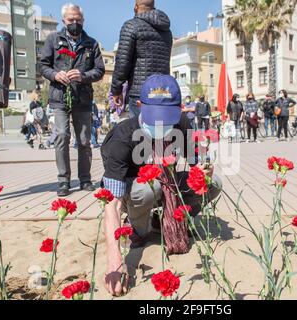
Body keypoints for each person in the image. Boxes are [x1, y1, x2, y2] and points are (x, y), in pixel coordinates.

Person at [100, 74, 221, 296]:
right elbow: (112, 202)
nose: (160, 124)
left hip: (168, 183)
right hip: (135, 193)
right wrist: (114, 260)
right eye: (155, 116)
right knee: (150, 187)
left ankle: (168, 221)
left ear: (180, 109)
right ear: (140, 106)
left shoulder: (183, 123)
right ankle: (139, 229)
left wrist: (204, 170)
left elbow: (196, 163)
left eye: (167, 118)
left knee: (213, 184)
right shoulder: (122, 138)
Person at [40, 3, 105, 197]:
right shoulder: (53, 39)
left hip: (83, 98)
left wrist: (83, 75)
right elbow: (43, 65)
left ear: (83, 20)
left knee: (84, 140)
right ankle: (63, 181)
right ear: (63, 21)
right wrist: (54, 74)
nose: (75, 23)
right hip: (60, 97)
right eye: (71, 20)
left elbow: (100, 70)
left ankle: (85, 179)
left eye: (78, 19)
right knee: (61, 136)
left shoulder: (91, 43)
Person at [111, 0, 173, 118]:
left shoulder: (131, 26)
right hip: (163, 91)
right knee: (159, 132)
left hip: (140, 92)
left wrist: (116, 90)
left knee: (141, 133)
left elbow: (122, 62)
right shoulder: (167, 31)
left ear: (136, 6)